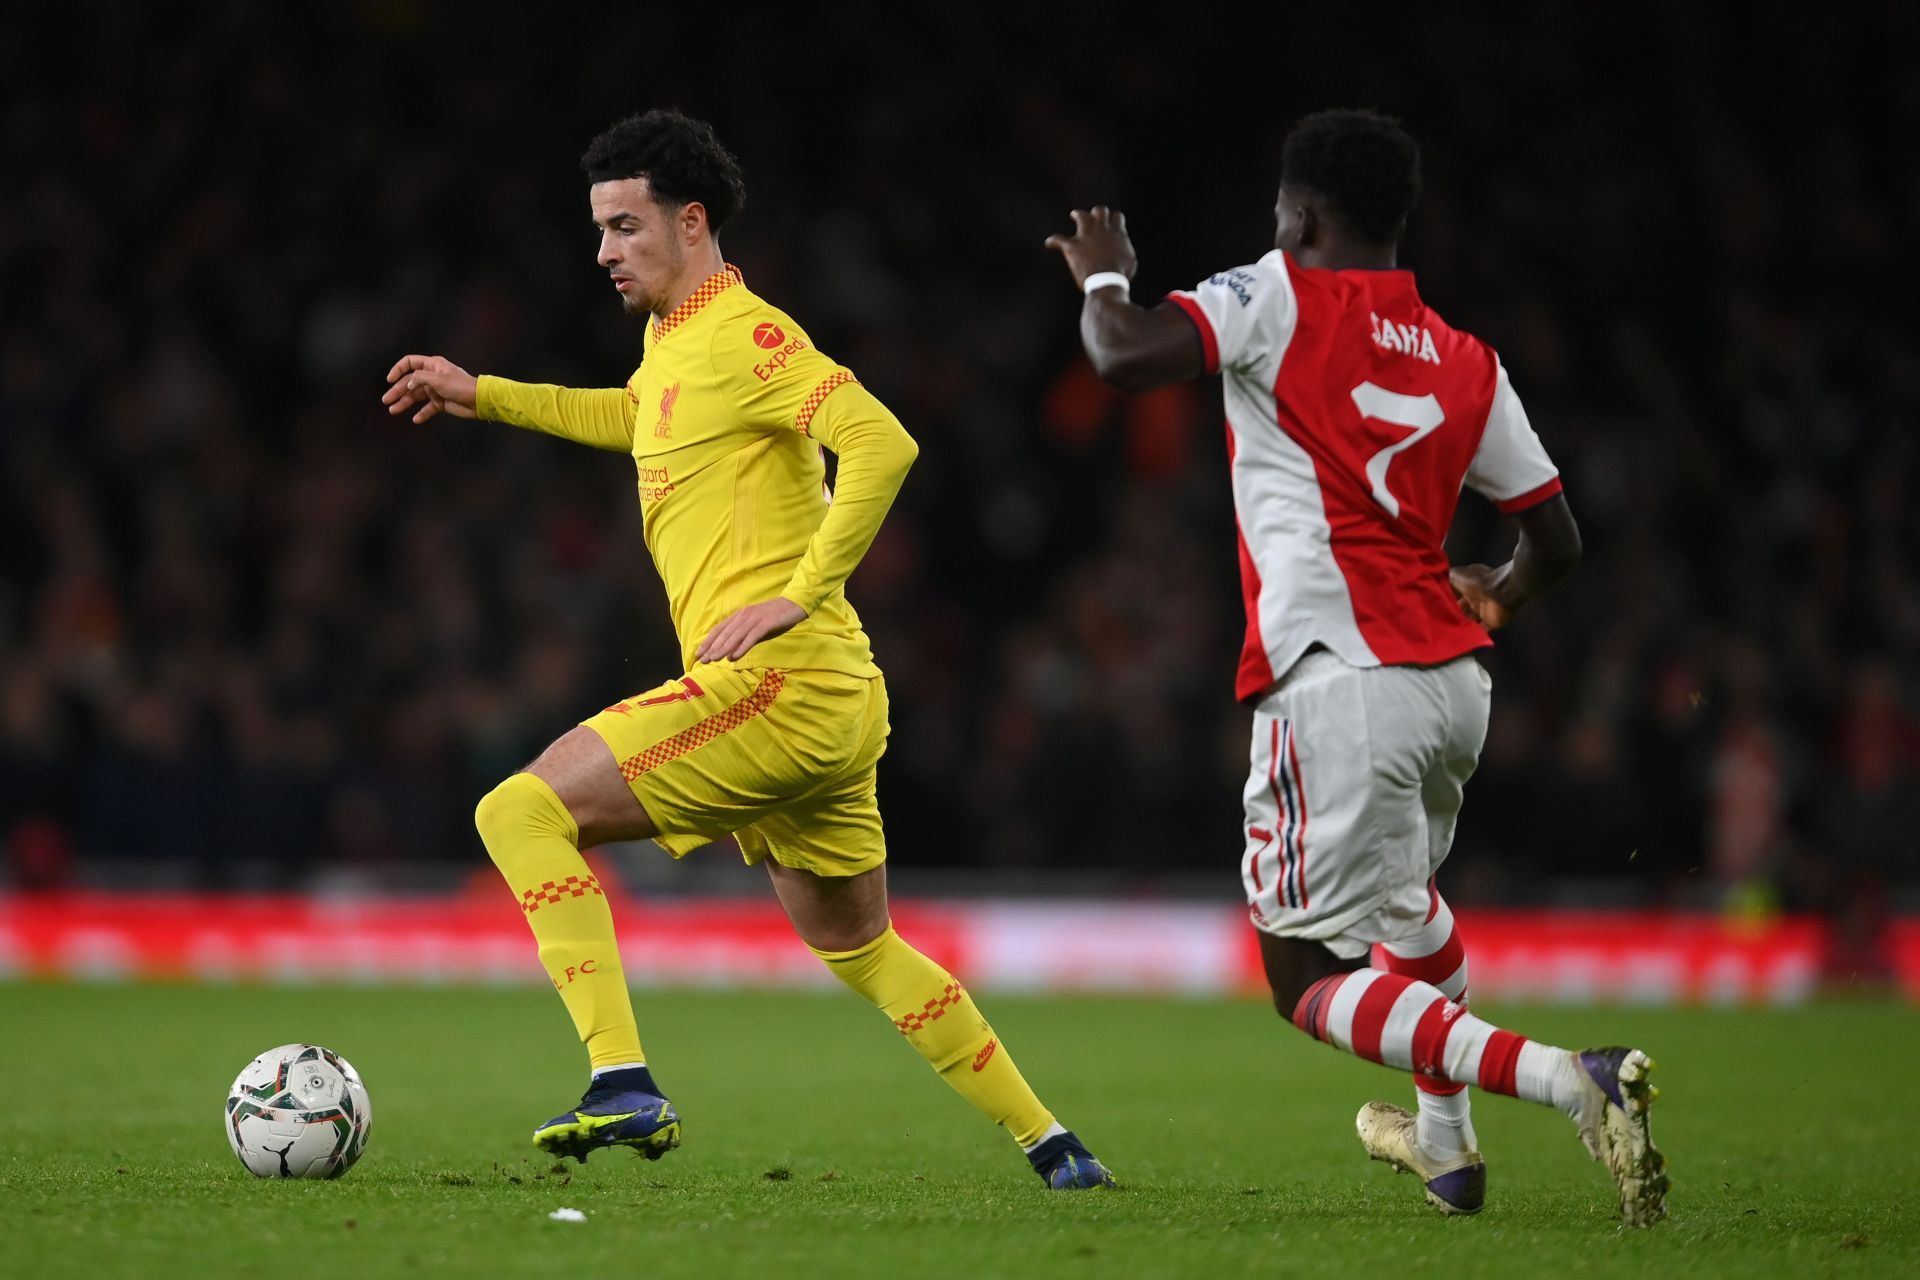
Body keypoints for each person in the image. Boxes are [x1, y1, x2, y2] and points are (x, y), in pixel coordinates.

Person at [383, 109, 1113, 1190]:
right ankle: (1056, 1145)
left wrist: (799, 590)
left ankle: (620, 1076)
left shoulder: (749, 334)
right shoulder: (675, 345)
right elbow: (634, 419)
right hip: (826, 697)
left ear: (691, 221)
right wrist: (482, 392)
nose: (604, 252)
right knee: (861, 945)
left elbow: (882, 440)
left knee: (520, 809)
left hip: (781, 682)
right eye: (598, 229)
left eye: (625, 226)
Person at [1043, 109, 1665, 1225]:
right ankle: (1446, 1146)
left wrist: (1104, 277)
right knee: (1407, 911)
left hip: (1337, 673)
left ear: (1301, 214)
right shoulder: (1467, 357)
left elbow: (1124, 356)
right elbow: (1557, 539)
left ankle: (1574, 1075)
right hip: (1452, 684)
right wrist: (1501, 592)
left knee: (1302, 970)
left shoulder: (1272, 291)